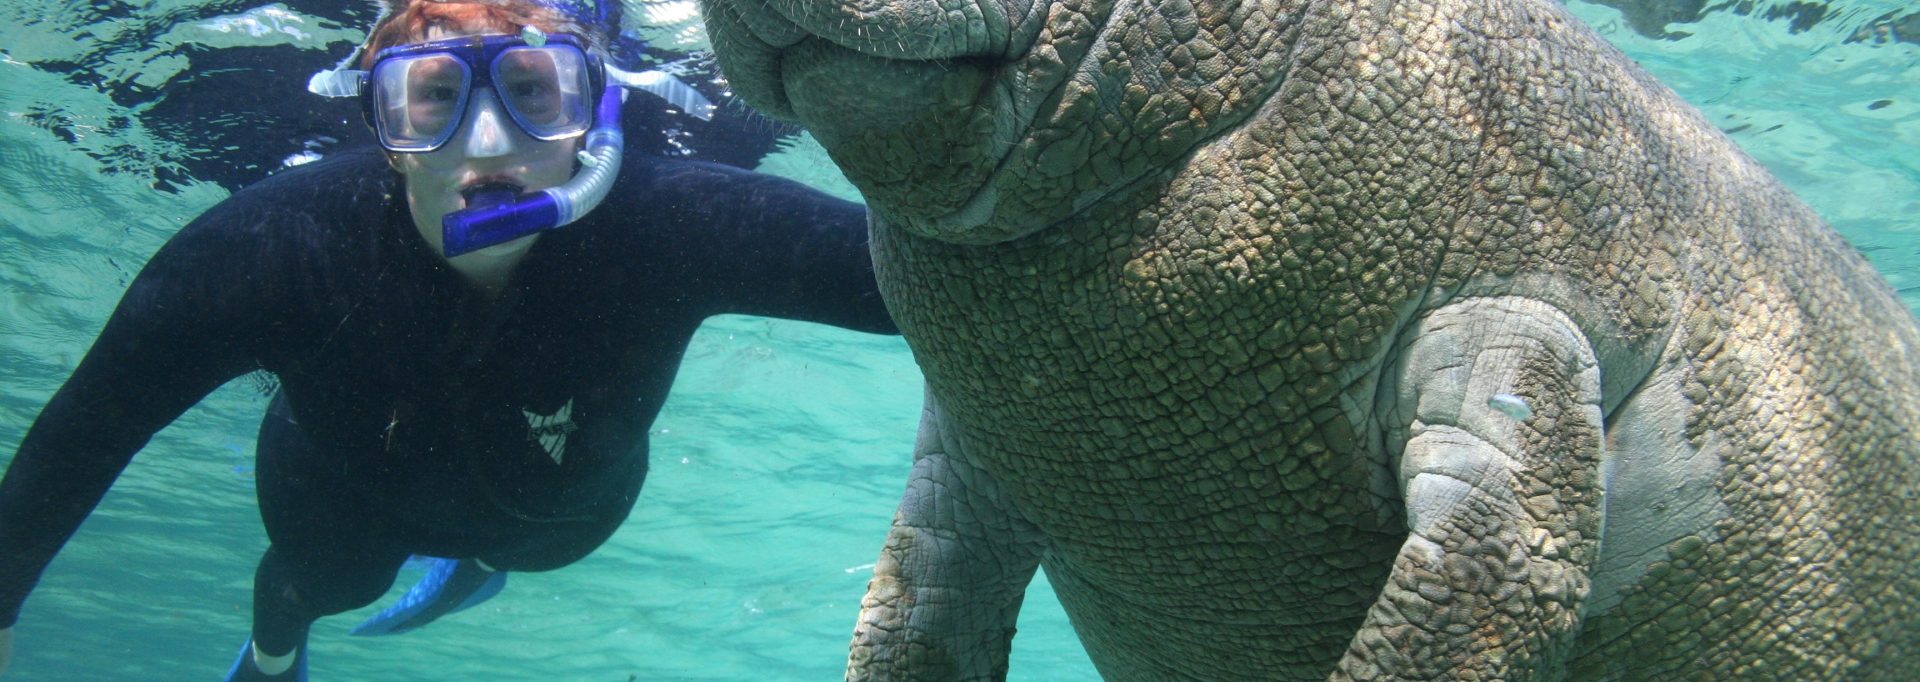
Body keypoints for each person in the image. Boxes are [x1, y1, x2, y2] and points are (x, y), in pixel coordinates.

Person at [0, 1, 895, 679]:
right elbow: (84, 436)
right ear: (384, 130)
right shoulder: (275, 248)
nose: (491, 140)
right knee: (308, 587)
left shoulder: (678, 220)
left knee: (536, 546)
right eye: (432, 98)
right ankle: (274, 658)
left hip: (559, 518)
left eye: (534, 91)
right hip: (338, 502)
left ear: (596, 114)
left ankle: (473, 563)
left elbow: (924, 288)